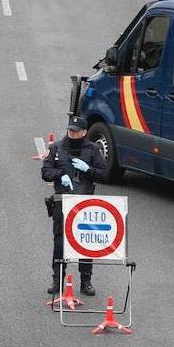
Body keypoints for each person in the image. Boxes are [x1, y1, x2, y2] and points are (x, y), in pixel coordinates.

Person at [41, 115, 107, 296]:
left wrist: (88, 169)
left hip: (84, 203)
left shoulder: (93, 150)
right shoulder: (57, 148)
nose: (72, 133)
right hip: (62, 202)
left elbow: (103, 174)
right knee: (60, 243)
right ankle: (57, 280)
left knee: (85, 242)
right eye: (70, 130)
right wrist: (60, 174)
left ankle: (86, 281)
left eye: (76, 131)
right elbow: (45, 172)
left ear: (84, 132)